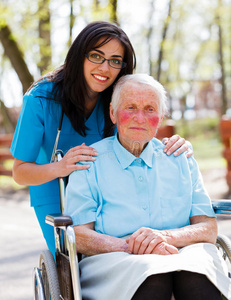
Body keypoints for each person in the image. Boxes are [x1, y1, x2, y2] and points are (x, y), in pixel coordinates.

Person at [11, 21, 191, 257]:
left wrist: (176, 146)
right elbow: (20, 171)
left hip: (107, 190)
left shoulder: (116, 99)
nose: (105, 68)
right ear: (79, 55)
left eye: (115, 60)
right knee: (72, 262)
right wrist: (61, 167)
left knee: (126, 255)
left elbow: (136, 140)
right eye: (96, 56)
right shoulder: (40, 99)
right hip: (55, 192)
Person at [65, 74, 231, 300]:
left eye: (150, 109)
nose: (140, 117)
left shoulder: (180, 157)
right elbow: (79, 235)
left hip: (182, 251)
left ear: (161, 117)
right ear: (112, 113)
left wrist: (162, 238)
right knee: (153, 277)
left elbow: (208, 229)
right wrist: (133, 246)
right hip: (115, 259)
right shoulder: (89, 162)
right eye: (130, 107)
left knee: (196, 275)